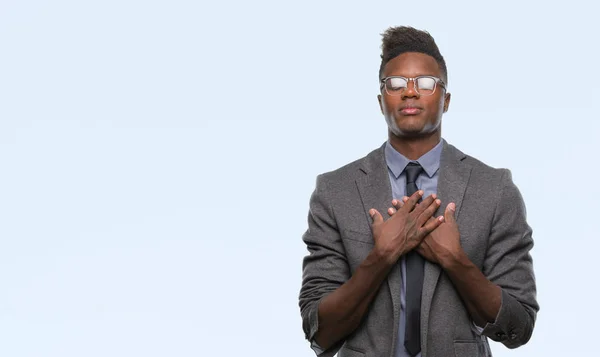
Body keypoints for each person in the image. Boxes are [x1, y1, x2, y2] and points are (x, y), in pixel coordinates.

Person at [298, 26, 539, 357]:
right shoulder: (335, 191)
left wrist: (454, 260)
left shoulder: (494, 189)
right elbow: (319, 332)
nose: (410, 93)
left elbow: (518, 326)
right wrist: (381, 257)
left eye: (426, 83)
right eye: (396, 84)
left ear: (446, 99)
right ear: (382, 101)